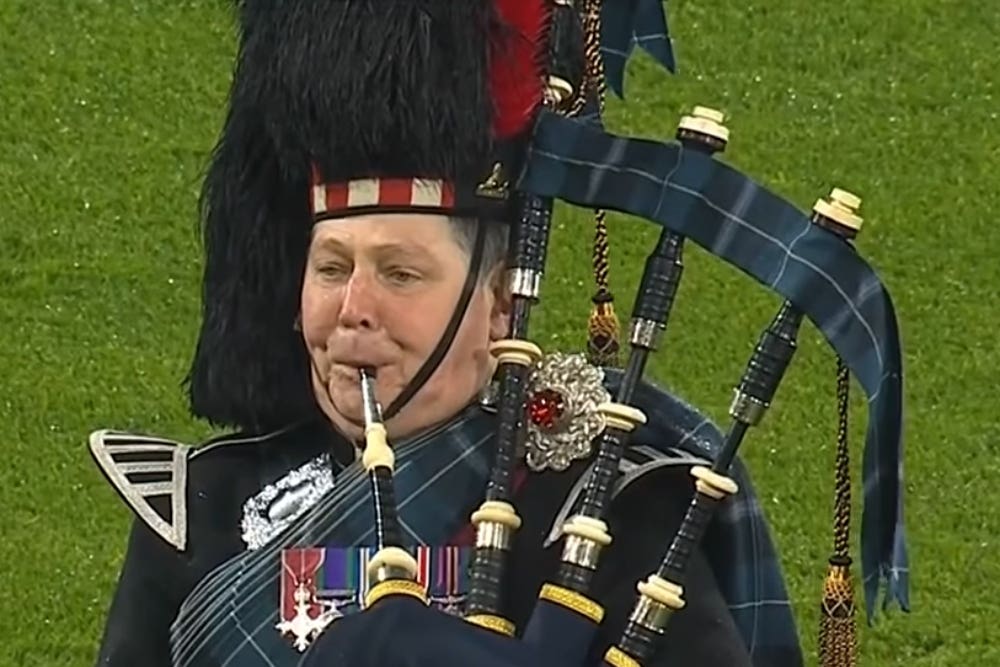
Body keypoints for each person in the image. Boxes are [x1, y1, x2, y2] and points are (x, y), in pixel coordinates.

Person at [90, 1, 910, 666]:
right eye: (333, 268)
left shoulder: (602, 503)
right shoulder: (199, 506)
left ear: (498, 309)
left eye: (401, 273)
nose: (354, 308)